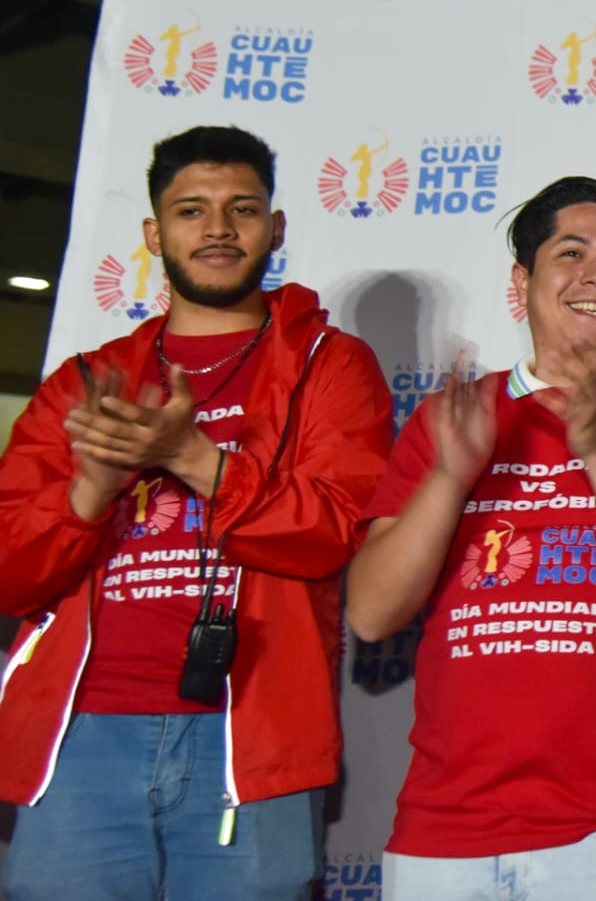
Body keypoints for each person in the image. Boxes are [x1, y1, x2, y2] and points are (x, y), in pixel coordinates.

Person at [0, 125, 394, 901]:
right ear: (155, 235)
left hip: (249, 735)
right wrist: (93, 490)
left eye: (241, 208)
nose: (218, 228)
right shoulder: (84, 380)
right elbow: (12, 575)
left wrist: (191, 457)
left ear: (275, 227)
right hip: (79, 736)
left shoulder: (330, 362)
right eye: (191, 210)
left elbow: (331, 533)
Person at [346, 177, 596, 901]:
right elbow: (372, 613)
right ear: (522, 282)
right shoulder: (452, 416)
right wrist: (449, 478)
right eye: (572, 253)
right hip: (443, 830)